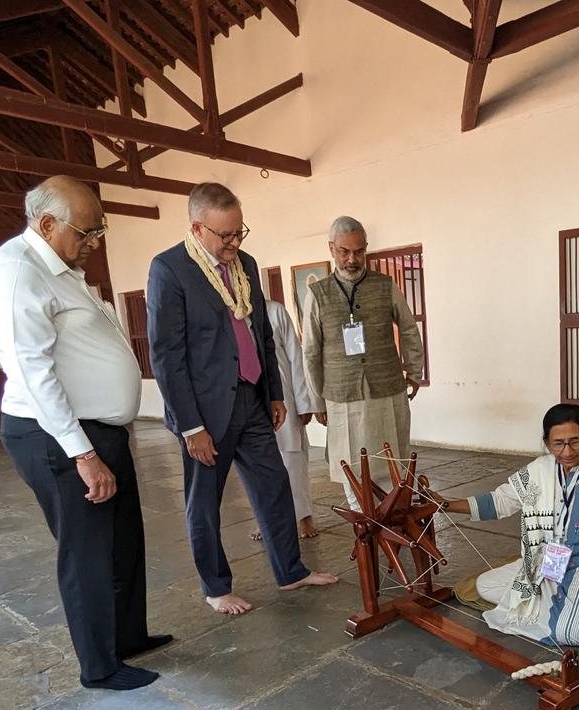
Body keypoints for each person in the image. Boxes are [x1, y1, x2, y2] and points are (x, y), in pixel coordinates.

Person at [0, 176, 170, 690]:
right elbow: (33, 374)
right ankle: (100, 666)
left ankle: (127, 638)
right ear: (46, 224)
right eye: (87, 231)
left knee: (123, 541)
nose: (95, 242)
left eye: (99, 230)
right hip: (57, 437)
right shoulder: (17, 274)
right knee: (86, 553)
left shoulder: (61, 270)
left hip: (98, 430)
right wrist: (83, 454)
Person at [146, 182, 336, 616]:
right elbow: (167, 356)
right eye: (225, 235)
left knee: (274, 486)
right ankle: (216, 587)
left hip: (251, 399)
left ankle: (290, 571)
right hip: (205, 414)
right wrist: (191, 426)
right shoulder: (170, 270)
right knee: (204, 504)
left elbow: (260, 334)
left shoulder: (245, 264)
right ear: (197, 227)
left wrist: (272, 392)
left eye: (239, 232)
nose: (234, 242)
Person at [427, 403, 579, 647]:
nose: (567, 452)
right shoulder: (538, 471)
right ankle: (561, 604)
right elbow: (500, 501)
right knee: (486, 586)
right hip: (551, 563)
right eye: (558, 444)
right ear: (547, 444)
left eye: (575, 442)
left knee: (572, 633)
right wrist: (446, 505)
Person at [301, 216, 424, 511]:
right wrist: (317, 401)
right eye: (345, 251)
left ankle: (392, 517)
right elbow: (311, 352)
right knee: (352, 463)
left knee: (393, 457)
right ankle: (365, 523)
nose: (353, 259)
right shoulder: (317, 294)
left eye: (359, 251)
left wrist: (414, 370)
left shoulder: (385, 286)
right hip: (343, 397)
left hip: (388, 390)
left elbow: (408, 328)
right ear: (332, 249)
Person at [262, 298, 324, 538]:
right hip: (250, 400)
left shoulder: (274, 311)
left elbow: (296, 358)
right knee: (258, 464)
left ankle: (304, 517)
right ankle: (266, 519)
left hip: (284, 397)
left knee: (293, 461)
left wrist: (303, 402)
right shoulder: (226, 313)